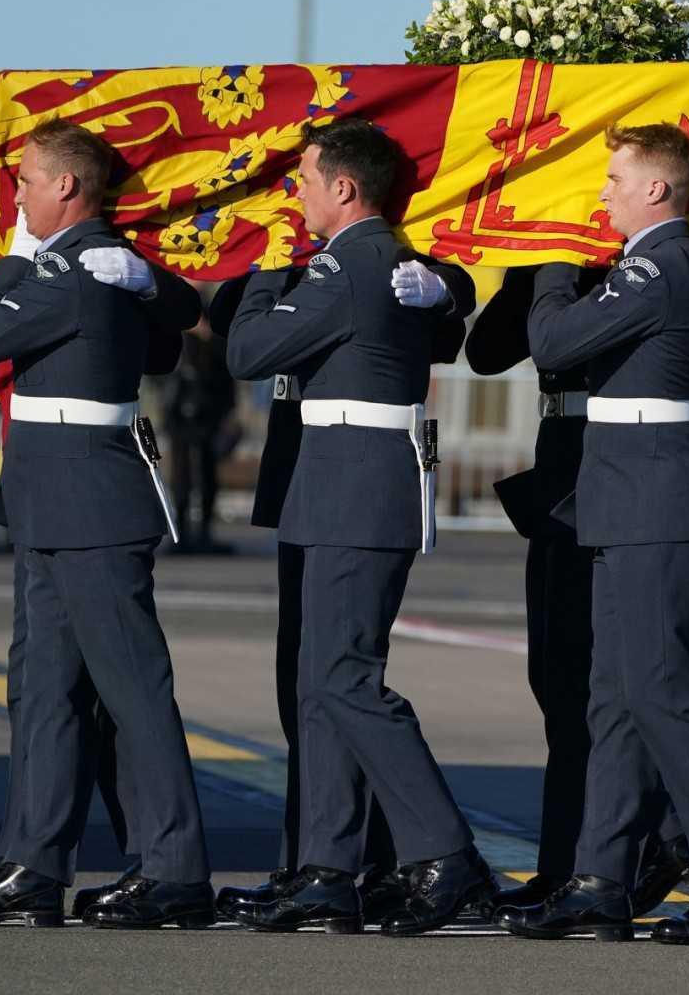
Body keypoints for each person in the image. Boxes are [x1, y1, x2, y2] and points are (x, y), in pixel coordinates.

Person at [0, 118, 213, 929]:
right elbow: (165, 336)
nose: (15, 195)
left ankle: (174, 870)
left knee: (132, 689)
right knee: (43, 690)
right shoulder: (102, 266)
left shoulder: (75, 267)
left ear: (67, 186)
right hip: (52, 499)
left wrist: (15, 257)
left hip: (88, 502)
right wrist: (147, 286)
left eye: (26, 180)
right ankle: (34, 862)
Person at [495, 123, 689, 946]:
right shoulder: (646, 265)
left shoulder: (658, 266)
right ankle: (601, 879)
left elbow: (552, 340)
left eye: (615, 179)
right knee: (612, 696)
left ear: (656, 189)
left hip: (657, 504)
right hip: (626, 500)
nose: (602, 194)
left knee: (659, 694)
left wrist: (552, 257)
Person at [223, 118, 496, 936]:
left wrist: (268, 268)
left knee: (345, 678)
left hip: (356, 487)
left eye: (305, 178)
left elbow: (248, 351)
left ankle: (446, 853)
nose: (295, 192)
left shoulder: (350, 266)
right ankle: (326, 867)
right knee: (320, 683)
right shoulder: (383, 263)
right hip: (334, 481)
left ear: (344, 188)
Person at [467, 265, 689, 918]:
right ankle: (580, 856)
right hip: (561, 455)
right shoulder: (552, 264)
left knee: (591, 681)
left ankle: (638, 841)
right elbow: (487, 352)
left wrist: (568, 270)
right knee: (554, 676)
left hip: (612, 455)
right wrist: (533, 269)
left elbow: (560, 342)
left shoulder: (630, 267)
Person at [155, 306, 238, 552]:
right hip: (181, 418)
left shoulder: (214, 345)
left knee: (205, 475)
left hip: (206, 419)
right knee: (182, 476)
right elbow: (165, 377)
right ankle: (182, 532)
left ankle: (202, 533)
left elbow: (225, 380)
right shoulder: (179, 342)